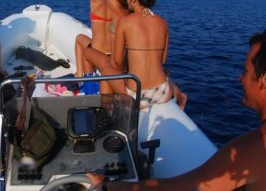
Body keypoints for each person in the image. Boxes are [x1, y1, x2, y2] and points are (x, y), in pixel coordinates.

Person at [88, 30, 266, 190]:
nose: (239, 78)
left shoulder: (252, 149)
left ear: (263, 80)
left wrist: (105, 186)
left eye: (245, 71)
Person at [85, 0, 185, 109]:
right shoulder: (163, 23)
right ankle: (179, 97)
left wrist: (123, 76)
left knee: (107, 72)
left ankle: (106, 114)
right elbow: (162, 60)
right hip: (163, 91)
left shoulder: (125, 22)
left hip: (136, 95)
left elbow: (118, 61)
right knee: (163, 73)